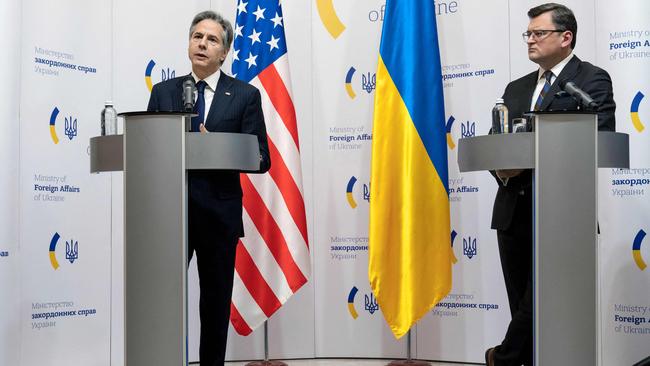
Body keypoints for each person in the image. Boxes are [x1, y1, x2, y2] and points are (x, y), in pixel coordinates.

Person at [486, 3, 615, 366]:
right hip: (513, 212)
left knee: (542, 301)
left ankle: (503, 358)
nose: (530, 40)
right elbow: (496, 142)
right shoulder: (515, 88)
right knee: (521, 306)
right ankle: (514, 359)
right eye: (528, 33)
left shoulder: (590, 80)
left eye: (538, 33)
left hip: (563, 213)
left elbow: (599, 136)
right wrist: (502, 170)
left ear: (565, 37)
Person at [147, 10, 270, 366]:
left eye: (212, 39)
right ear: (188, 43)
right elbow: (150, 149)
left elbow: (261, 158)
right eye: (197, 36)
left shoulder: (244, 95)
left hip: (219, 215)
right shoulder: (164, 92)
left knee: (214, 306)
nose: (202, 43)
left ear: (224, 53)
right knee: (162, 301)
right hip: (172, 214)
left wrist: (216, 146)